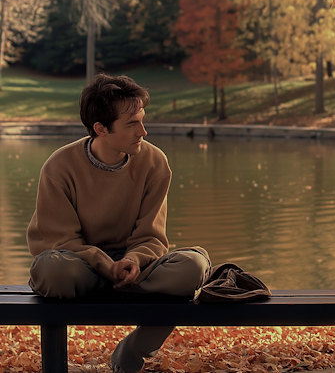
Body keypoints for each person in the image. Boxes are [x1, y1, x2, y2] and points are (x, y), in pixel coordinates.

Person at [26, 74, 212, 373]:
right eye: (131, 124)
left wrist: (132, 261)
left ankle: (132, 350)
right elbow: (57, 241)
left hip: (138, 269)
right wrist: (104, 264)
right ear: (101, 129)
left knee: (193, 267)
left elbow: (152, 235)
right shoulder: (59, 167)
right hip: (80, 267)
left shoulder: (155, 162)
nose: (143, 131)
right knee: (51, 270)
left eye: (142, 120)